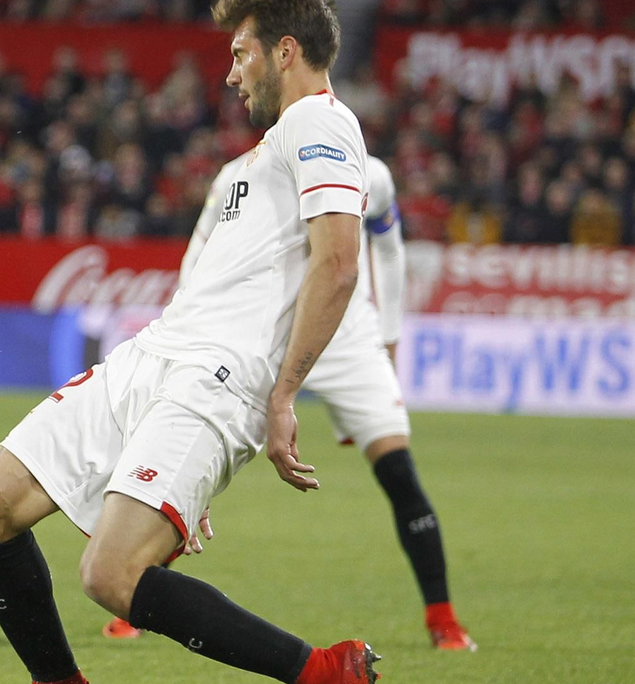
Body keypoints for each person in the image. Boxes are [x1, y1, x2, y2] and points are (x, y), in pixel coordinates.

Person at [0, 0, 393, 684]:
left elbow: (337, 264)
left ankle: (323, 673)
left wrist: (282, 395)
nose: (230, 74)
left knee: (111, 576)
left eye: (241, 54)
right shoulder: (252, 163)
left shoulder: (321, 123)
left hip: (216, 380)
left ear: (285, 51)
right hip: (153, 361)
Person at [104, 152, 476, 650]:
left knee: (398, 471)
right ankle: (134, 600)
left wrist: (390, 335)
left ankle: (443, 619)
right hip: (266, 336)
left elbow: (388, 247)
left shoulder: (371, 174)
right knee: (195, 462)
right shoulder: (240, 173)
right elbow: (201, 255)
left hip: (348, 338)